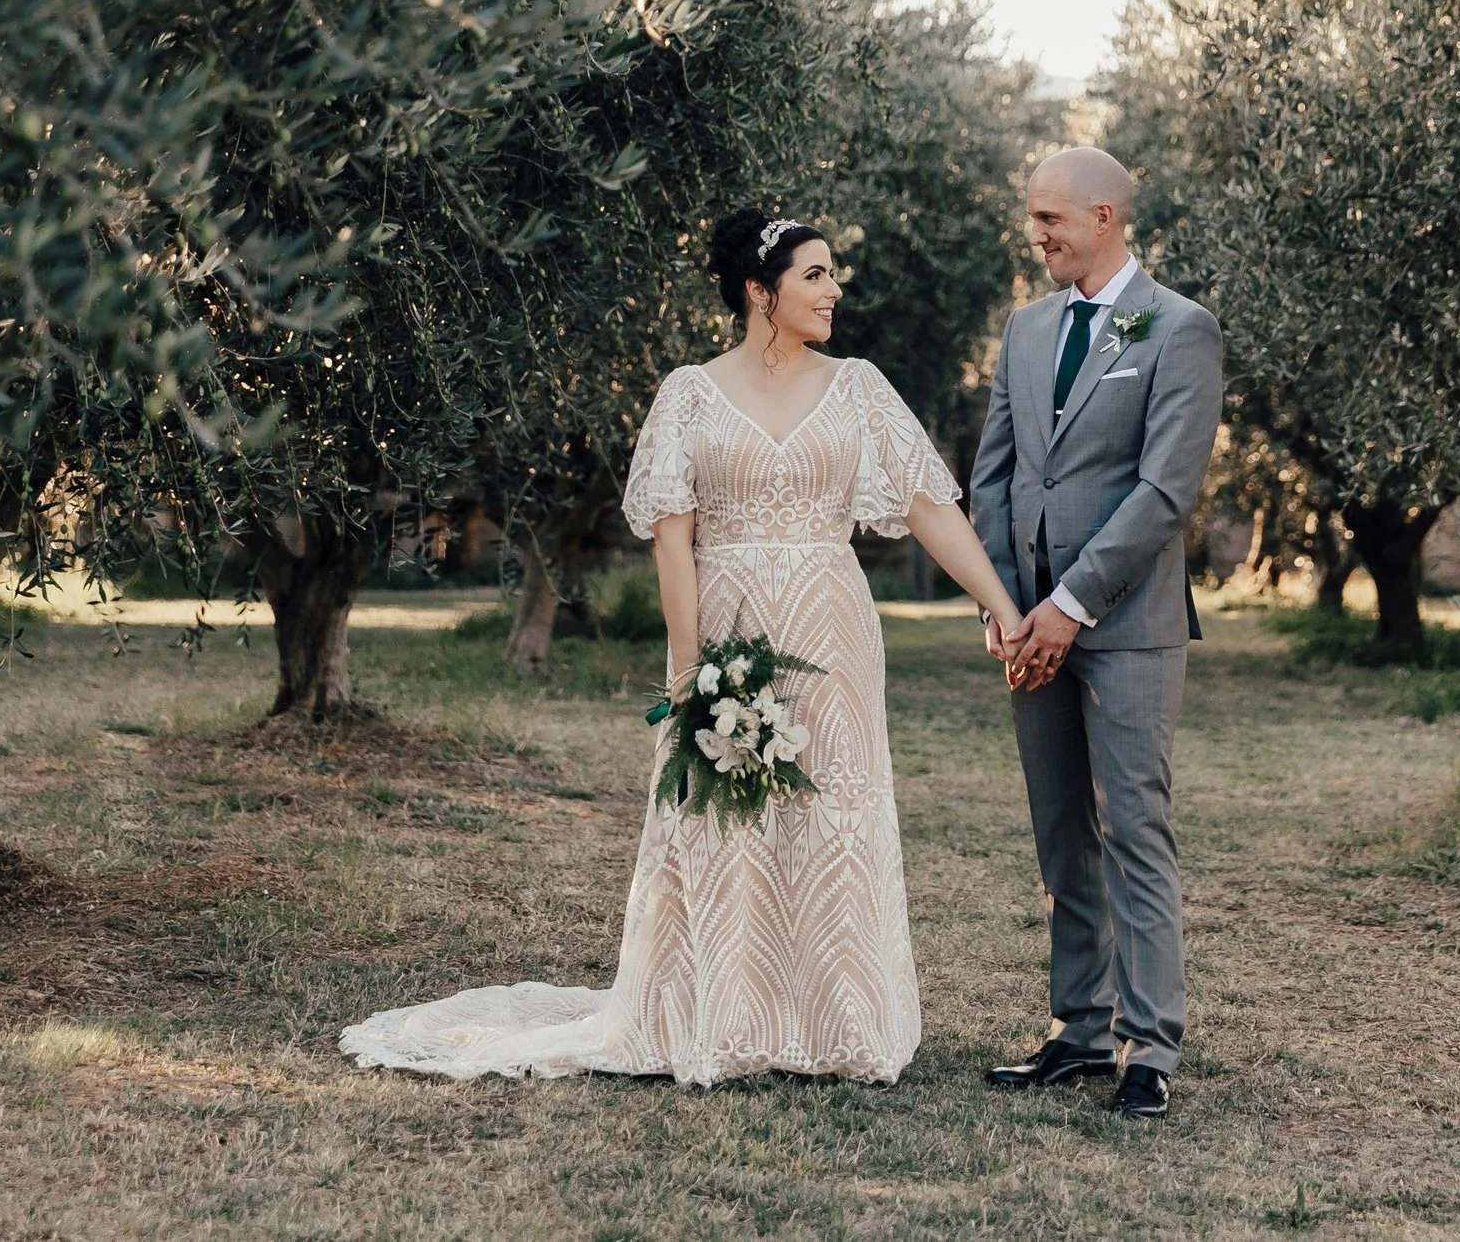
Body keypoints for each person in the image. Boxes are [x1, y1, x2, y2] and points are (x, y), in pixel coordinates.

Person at [340, 208, 1028, 1085]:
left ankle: (838, 1022)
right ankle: (725, 1015)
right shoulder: (689, 393)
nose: (833, 291)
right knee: (725, 816)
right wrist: (688, 671)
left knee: (833, 813)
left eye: (832, 274)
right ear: (759, 290)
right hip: (727, 617)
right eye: (815, 274)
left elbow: (931, 508)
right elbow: (673, 540)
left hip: (832, 628)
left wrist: (1003, 608)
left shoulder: (859, 386)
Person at [969, 147, 1225, 1121]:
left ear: (1104, 216)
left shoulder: (1177, 327)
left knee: (1133, 831)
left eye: (1049, 218)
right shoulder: (1026, 328)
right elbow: (994, 474)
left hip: (1125, 625)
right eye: (1032, 216)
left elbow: (1164, 490)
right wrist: (1004, 605)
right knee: (1060, 832)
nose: (1035, 234)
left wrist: (1069, 604)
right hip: (1025, 626)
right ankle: (1077, 1028)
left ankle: (1148, 1046)